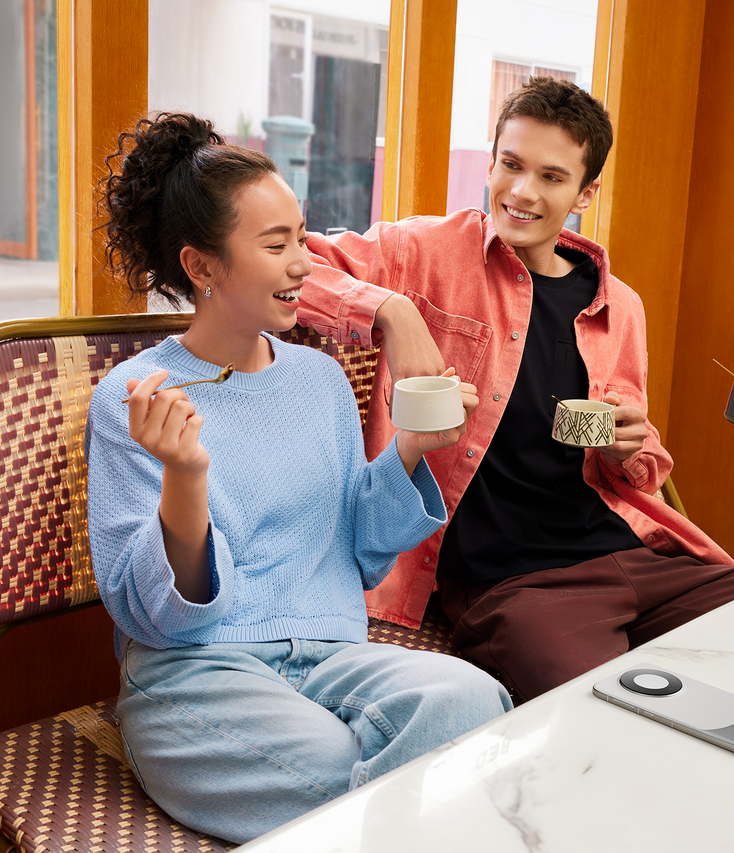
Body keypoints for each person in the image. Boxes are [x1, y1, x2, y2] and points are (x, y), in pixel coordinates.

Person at [85, 112, 512, 844]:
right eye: (276, 244)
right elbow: (163, 620)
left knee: (474, 701)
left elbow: (359, 554)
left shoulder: (320, 380)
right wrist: (185, 476)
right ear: (202, 267)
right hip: (198, 675)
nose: (303, 265)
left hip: (334, 656)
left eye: (302, 239)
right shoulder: (133, 398)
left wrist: (410, 449)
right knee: (374, 772)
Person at [299, 76, 734, 703]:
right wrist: (393, 312)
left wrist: (628, 445)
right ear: (490, 163)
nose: (522, 191)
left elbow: (643, 471)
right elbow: (289, 268)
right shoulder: (422, 252)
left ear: (586, 192)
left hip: (642, 558)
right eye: (511, 165)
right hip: (517, 586)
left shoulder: (619, 306)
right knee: (597, 709)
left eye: (551, 176)